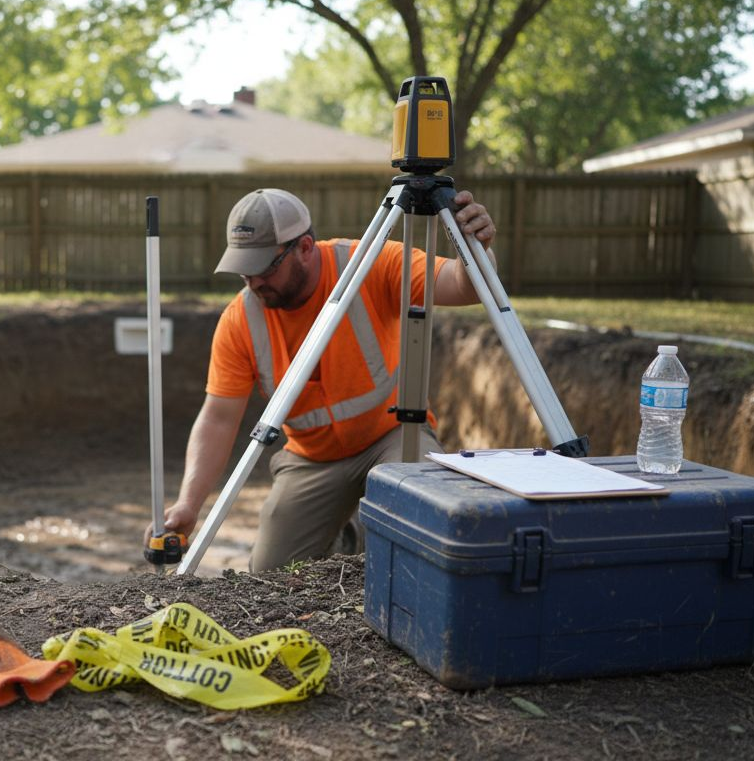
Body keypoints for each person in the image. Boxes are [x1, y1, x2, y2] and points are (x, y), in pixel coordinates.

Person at [147, 187, 497, 572]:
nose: (254, 282)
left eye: (265, 267)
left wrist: (474, 247)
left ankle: (373, 530)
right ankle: (349, 540)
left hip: (390, 436)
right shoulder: (240, 319)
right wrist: (187, 505)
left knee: (423, 517)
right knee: (269, 574)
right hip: (311, 459)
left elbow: (462, 286)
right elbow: (218, 417)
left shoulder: (368, 263)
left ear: (305, 248)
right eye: (245, 270)